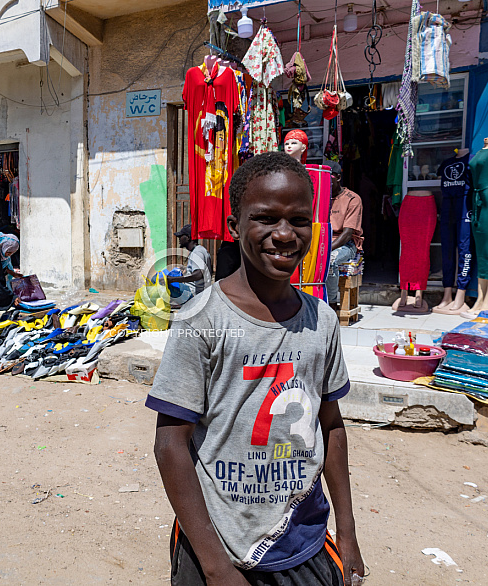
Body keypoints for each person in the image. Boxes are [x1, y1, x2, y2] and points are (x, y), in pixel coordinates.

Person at [147, 152, 364, 586]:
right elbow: (170, 444)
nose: (284, 235)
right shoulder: (202, 319)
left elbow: (332, 426)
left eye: (299, 220)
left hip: (302, 538)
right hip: (217, 545)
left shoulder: (321, 321)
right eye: (265, 219)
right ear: (234, 228)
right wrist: (216, 568)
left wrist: (348, 531)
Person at [325, 161, 363, 311]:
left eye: (329, 179)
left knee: (330, 259)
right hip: (322, 240)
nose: (326, 183)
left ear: (338, 178)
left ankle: (332, 304)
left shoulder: (352, 199)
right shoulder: (320, 197)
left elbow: (347, 234)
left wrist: (325, 250)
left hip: (346, 244)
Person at [167, 224, 212, 303]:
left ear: (188, 238)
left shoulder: (197, 252)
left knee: (161, 283)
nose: (179, 239)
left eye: (181, 236)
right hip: (197, 293)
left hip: (195, 294)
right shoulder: (198, 250)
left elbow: (198, 274)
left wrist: (173, 279)